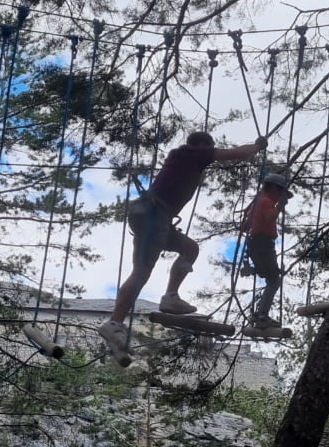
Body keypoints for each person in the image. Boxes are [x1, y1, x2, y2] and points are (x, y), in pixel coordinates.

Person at [99, 131, 268, 366]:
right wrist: (257, 146)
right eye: (210, 149)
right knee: (141, 273)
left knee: (189, 249)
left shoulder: (182, 157)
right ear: (204, 145)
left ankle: (170, 297)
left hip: (154, 216)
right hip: (155, 215)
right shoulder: (194, 153)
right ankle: (115, 322)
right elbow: (236, 154)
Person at [241, 172, 292, 329]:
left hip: (255, 245)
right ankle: (262, 315)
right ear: (273, 188)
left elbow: (243, 228)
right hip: (263, 243)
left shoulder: (256, 204)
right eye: (280, 193)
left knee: (268, 275)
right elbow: (270, 218)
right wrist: (279, 206)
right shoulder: (266, 201)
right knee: (274, 281)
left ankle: (261, 313)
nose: (279, 197)